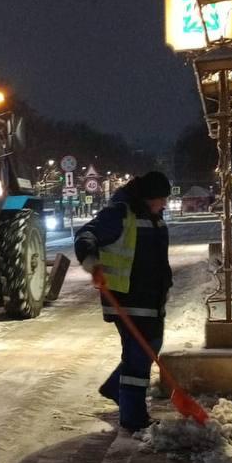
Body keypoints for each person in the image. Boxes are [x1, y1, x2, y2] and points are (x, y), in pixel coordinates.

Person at [75, 171, 172, 433]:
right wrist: (92, 263)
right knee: (138, 359)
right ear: (147, 197)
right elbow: (86, 236)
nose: (163, 204)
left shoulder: (152, 216)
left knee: (148, 348)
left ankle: (114, 388)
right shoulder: (120, 214)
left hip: (151, 299)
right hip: (128, 299)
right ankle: (133, 417)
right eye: (160, 199)